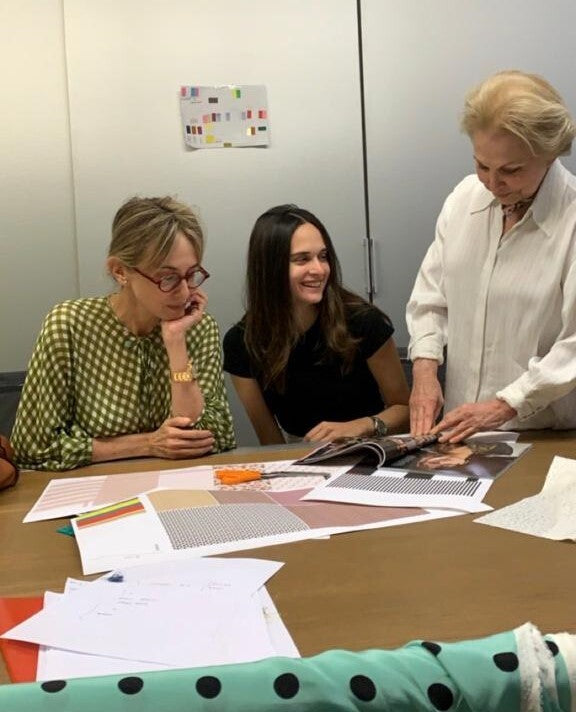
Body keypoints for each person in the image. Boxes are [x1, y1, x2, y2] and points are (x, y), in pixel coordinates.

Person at [407, 69, 576, 443]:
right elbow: (431, 299)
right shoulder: (464, 199)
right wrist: (424, 372)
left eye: (511, 170)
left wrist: (506, 404)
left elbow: (574, 347)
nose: (492, 183)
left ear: (549, 155)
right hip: (459, 434)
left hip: (543, 436)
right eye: (482, 164)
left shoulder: (572, 220)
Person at [12, 196, 235, 471]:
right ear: (120, 272)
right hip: (90, 492)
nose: (185, 292)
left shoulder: (198, 326)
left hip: (176, 488)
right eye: (168, 277)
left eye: (191, 275)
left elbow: (214, 437)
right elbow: (32, 446)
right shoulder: (69, 325)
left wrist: (176, 342)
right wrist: (148, 444)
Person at [223, 204, 410, 444]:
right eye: (302, 259)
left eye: (323, 257)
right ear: (271, 268)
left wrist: (363, 426)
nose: (319, 269)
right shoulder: (241, 342)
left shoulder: (363, 322)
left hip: (370, 448)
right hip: (299, 454)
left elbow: (406, 410)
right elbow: (270, 440)